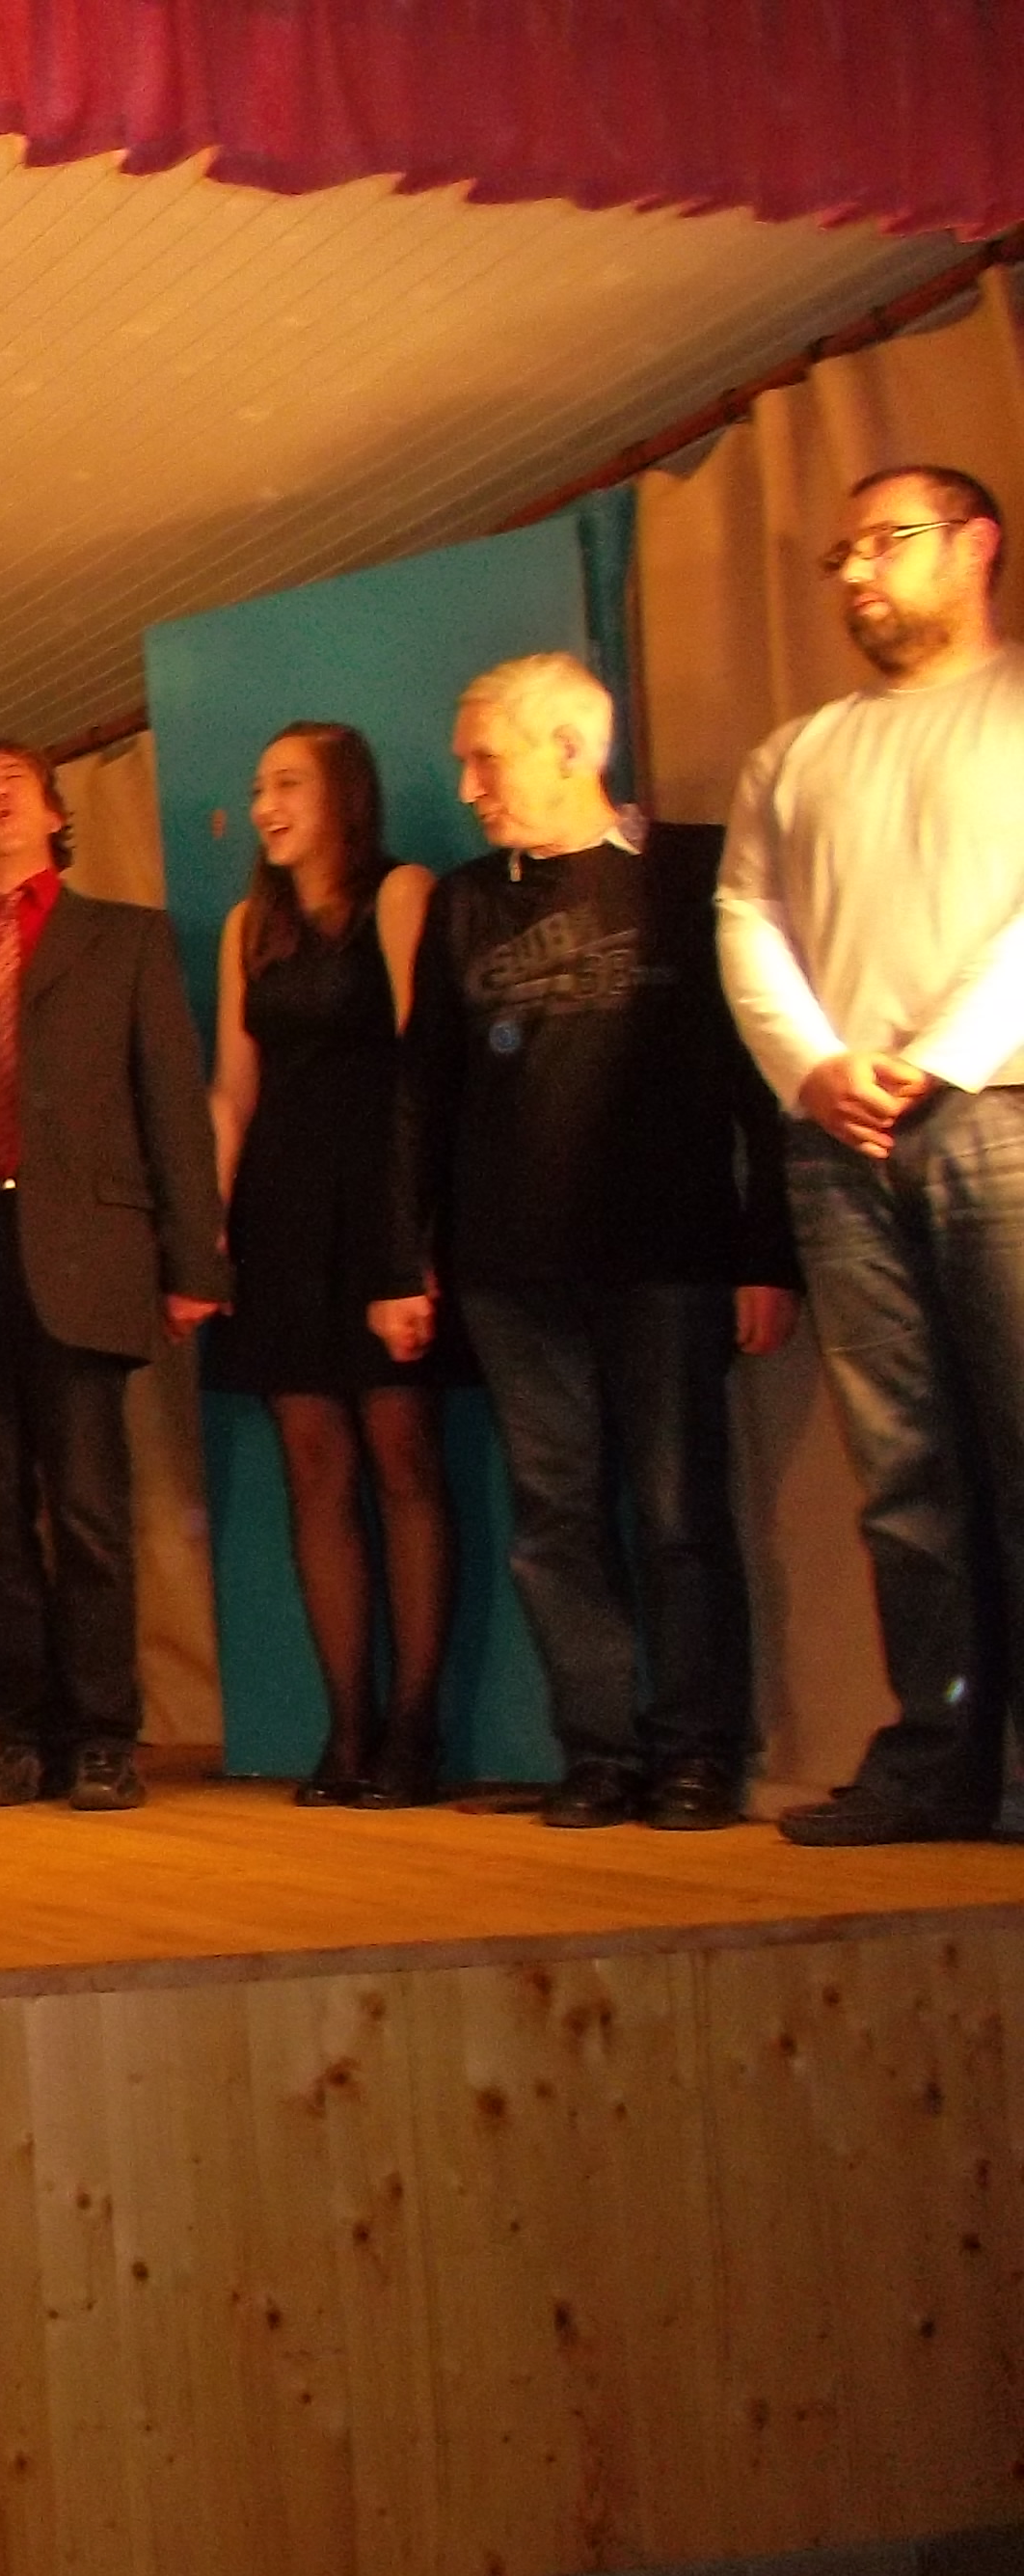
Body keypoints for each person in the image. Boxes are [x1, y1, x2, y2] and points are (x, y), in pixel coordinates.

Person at [369, 653, 799, 1832]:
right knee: (554, 1520)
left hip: (670, 1254)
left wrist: (769, 1253)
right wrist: (403, 1260)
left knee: (678, 1512)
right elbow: (422, 1095)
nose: (468, 787)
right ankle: (599, 1754)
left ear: (570, 748)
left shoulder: (690, 872)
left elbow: (758, 1078)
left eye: (485, 760)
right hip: (511, 1269)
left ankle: (697, 1754)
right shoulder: (465, 902)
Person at [715, 464, 1024, 1847]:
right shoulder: (797, 753)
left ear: (976, 546)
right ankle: (937, 1766)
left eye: (886, 544)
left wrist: (938, 1058)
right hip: (841, 1145)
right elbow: (747, 919)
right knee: (905, 1476)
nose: (855, 574)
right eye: (840, 554)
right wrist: (817, 1069)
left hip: (1003, 1112)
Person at [0, 739, 227, 1812]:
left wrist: (193, 1260)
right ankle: (25, 1736)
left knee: (89, 1511)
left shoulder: (127, 939)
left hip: (85, 1255)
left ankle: (107, 1738)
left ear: (55, 814)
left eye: (13, 781)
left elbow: (173, 1107)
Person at [203, 722, 455, 1809]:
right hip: (283, 1211)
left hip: (380, 1202)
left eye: (288, 784)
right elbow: (233, 1090)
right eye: (259, 786)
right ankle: (346, 1726)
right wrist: (210, 1223)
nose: (266, 805)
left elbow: (422, 1070)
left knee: (402, 1454)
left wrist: (417, 1240)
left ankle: (415, 1726)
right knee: (313, 1464)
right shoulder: (246, 926)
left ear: (343, 794)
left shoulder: (400, 895)